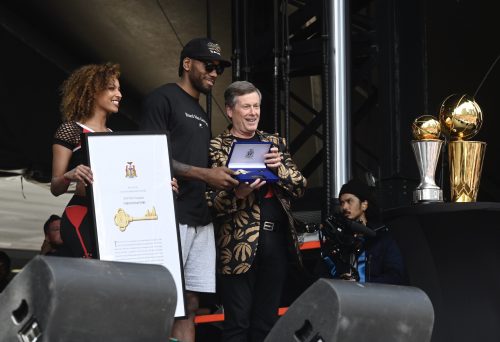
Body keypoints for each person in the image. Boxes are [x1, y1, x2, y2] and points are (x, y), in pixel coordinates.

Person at [140, 37, 239, 342]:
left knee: (192, 303)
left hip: (200, 218)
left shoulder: (199, 111)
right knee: (166, 301)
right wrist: (206, 175)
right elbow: (149, 155)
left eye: (218, 69)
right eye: (208, 65)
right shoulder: (163, 99)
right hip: (172, 215)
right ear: (187, 64)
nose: (214, 73)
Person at [207, 81, 307, 342]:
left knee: (267, 323)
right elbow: (208, 202)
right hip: (237, 245)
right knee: (237, 323)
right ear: (230, 111)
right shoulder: (216, 147)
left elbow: (300, 187)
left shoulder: (274, 143)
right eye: (246, 107)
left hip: (276, 242)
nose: (253, 112)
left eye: (256, 106)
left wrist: (279, 170)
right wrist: (236, 195)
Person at [50, 63, 122, 258]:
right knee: (94, 281)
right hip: (81, 217)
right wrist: (69, 175)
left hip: (111, 218)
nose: (119, 94)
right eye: (111, 88)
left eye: (119, 88)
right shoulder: (71, 130)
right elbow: (56, 187)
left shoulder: (116, 137)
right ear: (92, 92)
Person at [319, 179, 405, 284]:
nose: (344, 207)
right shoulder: (337, 240)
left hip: (372, 298)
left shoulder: (381, 238)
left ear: (364, 205)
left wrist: (361, 283)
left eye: (349, 201)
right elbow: (320, 277)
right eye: (342, 203)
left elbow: (395, 276)